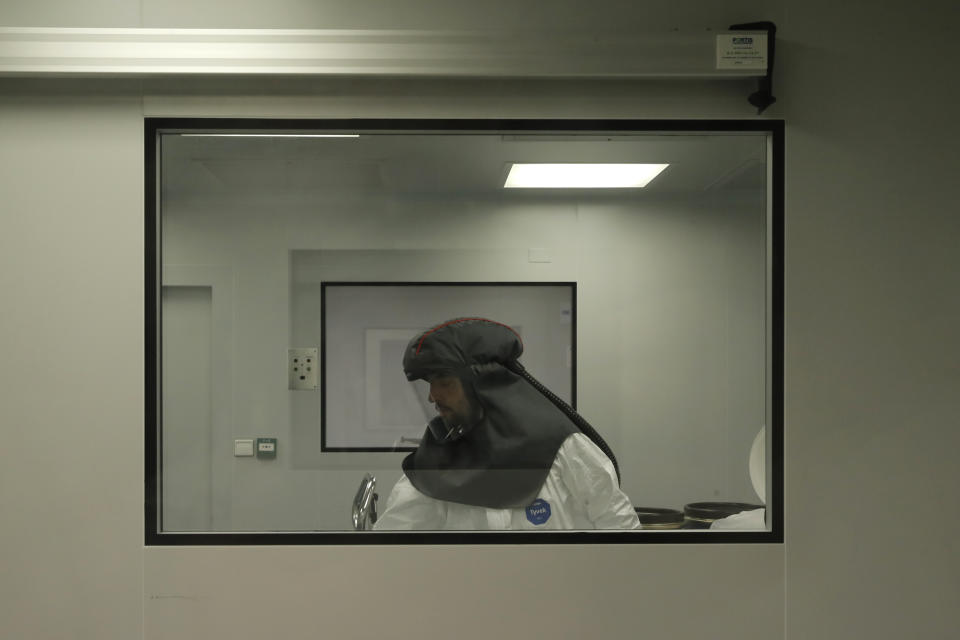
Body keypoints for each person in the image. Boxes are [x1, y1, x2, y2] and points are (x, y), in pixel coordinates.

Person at [374, 317, 640, 530]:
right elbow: (391, 545)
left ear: (485, 383)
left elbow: (619, 526)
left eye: (443, 380)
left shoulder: (563, 446)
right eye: (429, 384)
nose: (433, 396)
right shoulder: (439, 461)